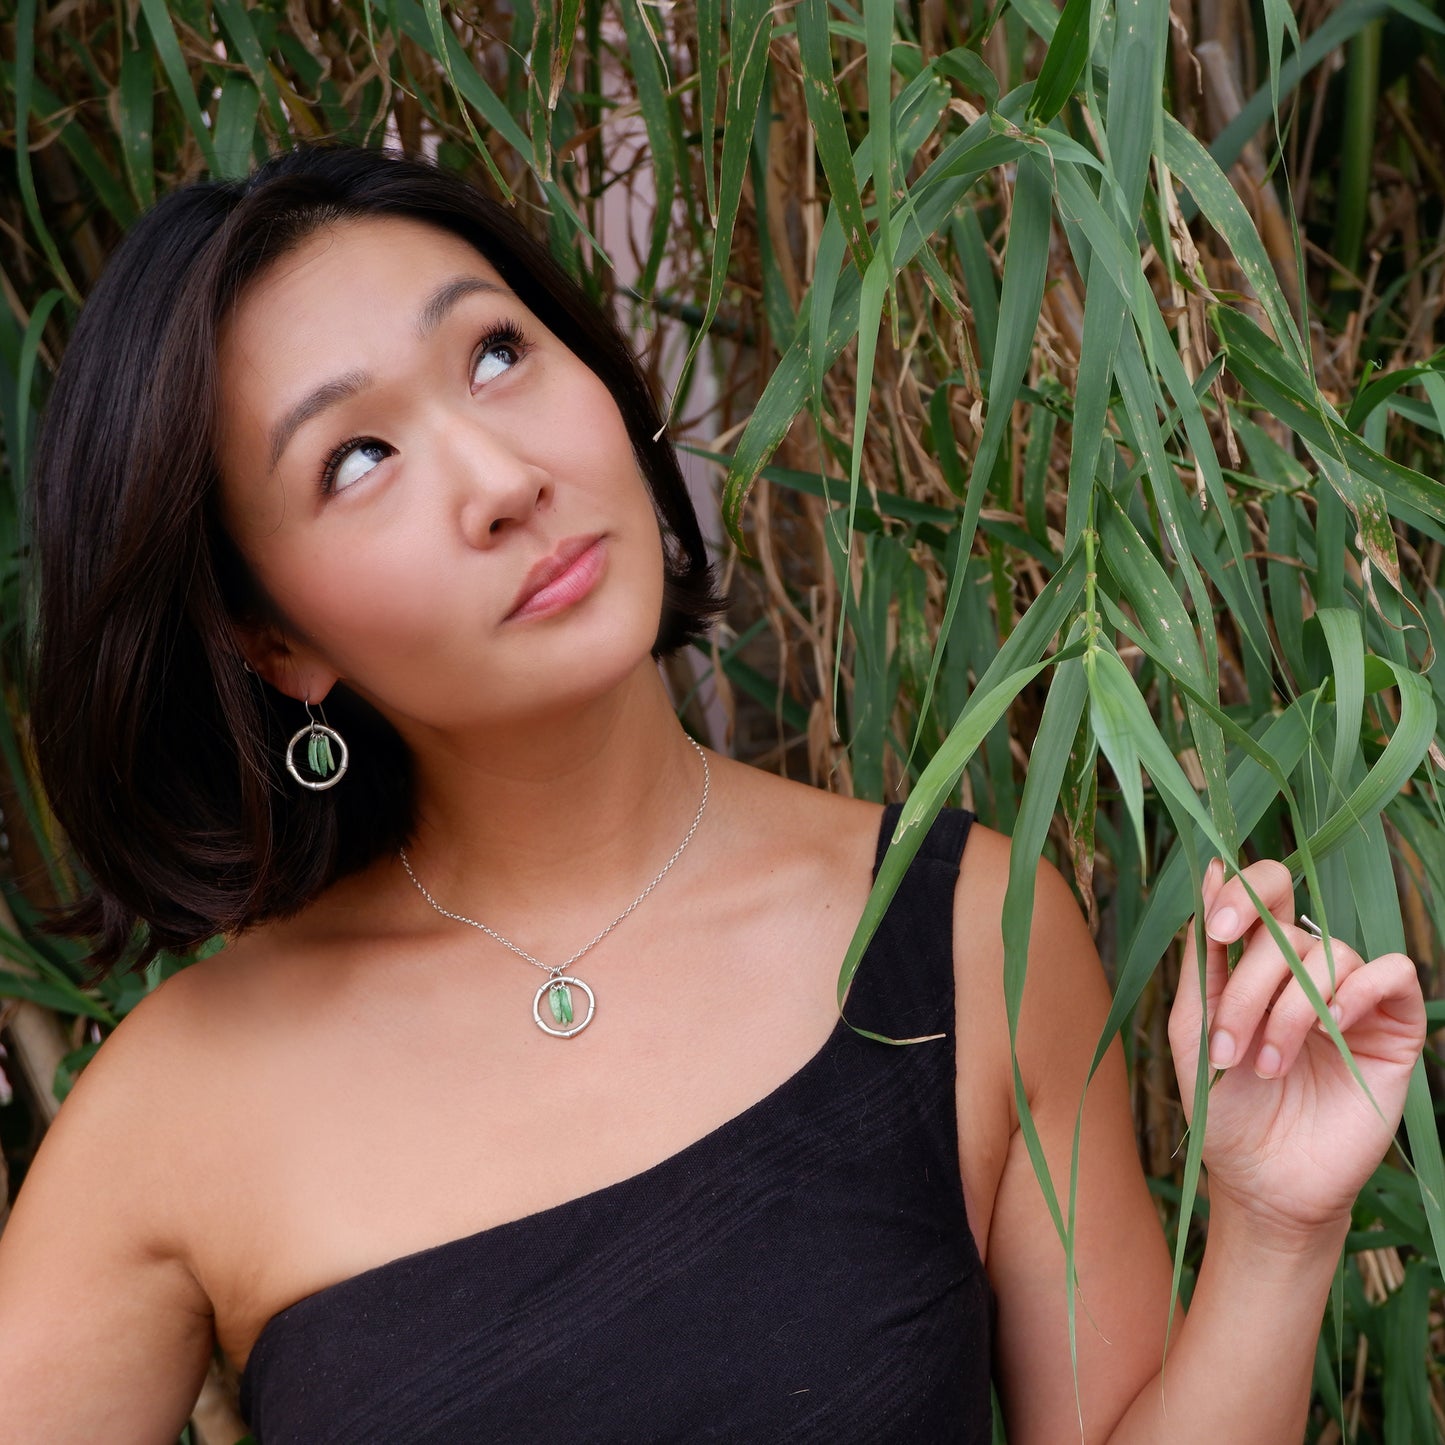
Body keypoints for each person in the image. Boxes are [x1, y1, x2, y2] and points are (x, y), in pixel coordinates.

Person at [0, 145, 1426, 1445]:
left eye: (497, 353)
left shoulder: (962, 931)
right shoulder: (173, 1116)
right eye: (354, 458)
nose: (502, 477)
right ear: (276, 640)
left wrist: (1270, 1227)